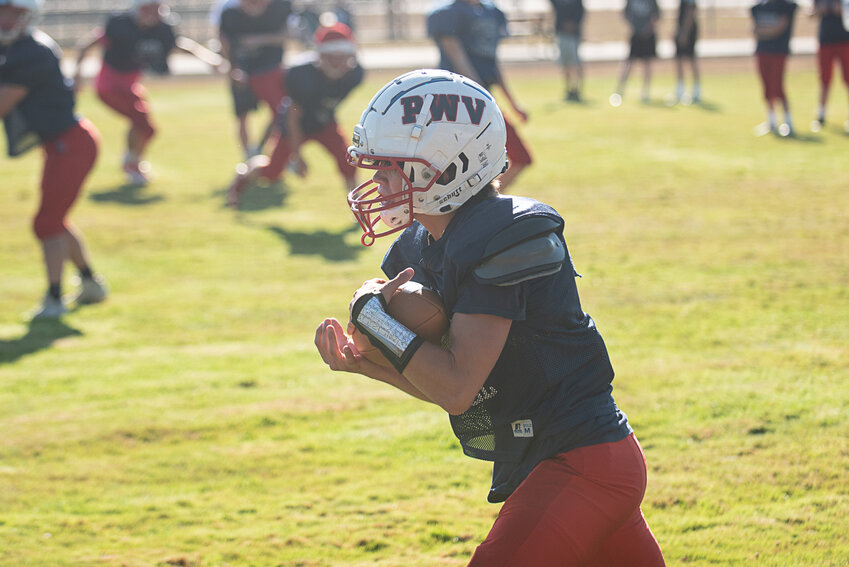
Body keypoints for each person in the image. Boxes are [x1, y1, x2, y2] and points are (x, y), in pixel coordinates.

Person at [315, 69, 666, 566]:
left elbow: (458, 384)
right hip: (555, 460)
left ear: (447, 166)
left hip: (582, 462)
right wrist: (366, 363)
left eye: (391, 167)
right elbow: (455, 393)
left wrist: (377, 321)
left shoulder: (509, 234)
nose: (377, 183)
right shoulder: (419, 246)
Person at [1, 0, 108, 318]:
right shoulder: (19, 48)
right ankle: (90, 282)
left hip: (70, 143)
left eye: (13, 12)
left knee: (46, 222)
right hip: (61, 142)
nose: (6, 18)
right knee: (54, 218)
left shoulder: (30, 52)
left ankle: (54, 297)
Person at [73, 0, 222, 186]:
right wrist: (77, 75)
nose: (151, 14)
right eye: (147, 9)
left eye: (155, 9)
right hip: (109, 86)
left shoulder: (161, 30)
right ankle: (132, 163)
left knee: (147, 129)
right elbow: (88, 44)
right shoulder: (120, 26)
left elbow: (182, 45)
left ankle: (131, 158)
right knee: (141, 122)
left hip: (131, 85)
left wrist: (210, 59)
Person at [226, 22, 363, 208]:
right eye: (332, 57)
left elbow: (326, 103)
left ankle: (358, 207)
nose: (338, 63)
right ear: (321, 55)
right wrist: (297, 156)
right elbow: (293, 117)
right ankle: (241, 178)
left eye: (343, 57)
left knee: (348, 161)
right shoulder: (301, 75)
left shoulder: (355, 74)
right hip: (294, 125)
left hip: (323, 121)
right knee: (272, 171)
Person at [427, 0, 532, 192]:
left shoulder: (492, 12)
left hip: (482, 101)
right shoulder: (448, 13)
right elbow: (456, 54)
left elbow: (491, 63)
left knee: (520, 157)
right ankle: (473, 208)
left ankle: (480, 205)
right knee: (451, 167)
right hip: (456, 102)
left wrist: (512, 103)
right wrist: (479, 93)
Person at [218, 0, 292, 158]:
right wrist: (232, 69)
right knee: (242, 114)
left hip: (270, 68)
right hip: (242, 70)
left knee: (280, 112)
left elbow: (286, 35)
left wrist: (259, 40)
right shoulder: (230, 13)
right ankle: (248, 155)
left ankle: (263, 148)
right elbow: (223, 41)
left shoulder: (280, 7)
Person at [751, 0, 798, 136]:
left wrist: (765, 31)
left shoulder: (786, 6)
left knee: (778, 86)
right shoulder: (758, 7)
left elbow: (780, 27)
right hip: (763, 51)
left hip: (778, 51)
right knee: (766, 86)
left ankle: (788, 120)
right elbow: (755, 29)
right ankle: (771, 120)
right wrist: (770, 30)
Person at [611, 0, 660, 106]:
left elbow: (657, 15)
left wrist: (648, 28)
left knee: (646, 64)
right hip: (636, 34)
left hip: (648, 35)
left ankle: (645, 93)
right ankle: (620, 91)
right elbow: (625, 14)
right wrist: (634, 26)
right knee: (628, 62)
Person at [811, 0, 849, 131]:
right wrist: (820, 9)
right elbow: (812, 13)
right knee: (825, 79)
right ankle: (821, 115)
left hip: (845, 39)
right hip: (825, 39)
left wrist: (840, 10)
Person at [550, 0, 586, 102]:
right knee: (565, 65)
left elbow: (580, 13)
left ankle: (577, 89)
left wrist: (573, 25)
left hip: (573, 35)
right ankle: (568, 90)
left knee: (575, 64)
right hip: (561, 34)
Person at [674, 0, 701, 104]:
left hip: (688, 31)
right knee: (679, 60)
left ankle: (696, 91)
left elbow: (691, 12)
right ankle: (680, 90)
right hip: (682, 29)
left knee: (691, 60)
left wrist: (684, 32)